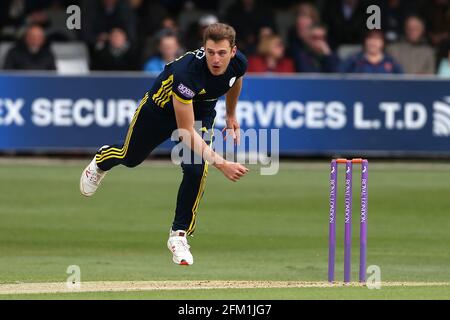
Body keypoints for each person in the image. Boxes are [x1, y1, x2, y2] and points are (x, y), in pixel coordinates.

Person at [80, 23, 249, 266]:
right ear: (204, 48)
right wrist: (222, 164)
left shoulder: (238, 62)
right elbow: (185, 131)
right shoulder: (186, 73)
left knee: (195, 168)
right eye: (210, 52)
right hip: (159, 111)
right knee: (130, 157)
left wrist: (231, 115)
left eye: (222, 53)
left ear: (233, 51)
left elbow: (235, 81)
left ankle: (179, 235)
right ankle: (101, 161)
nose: (216, 59)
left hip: (201, 110)